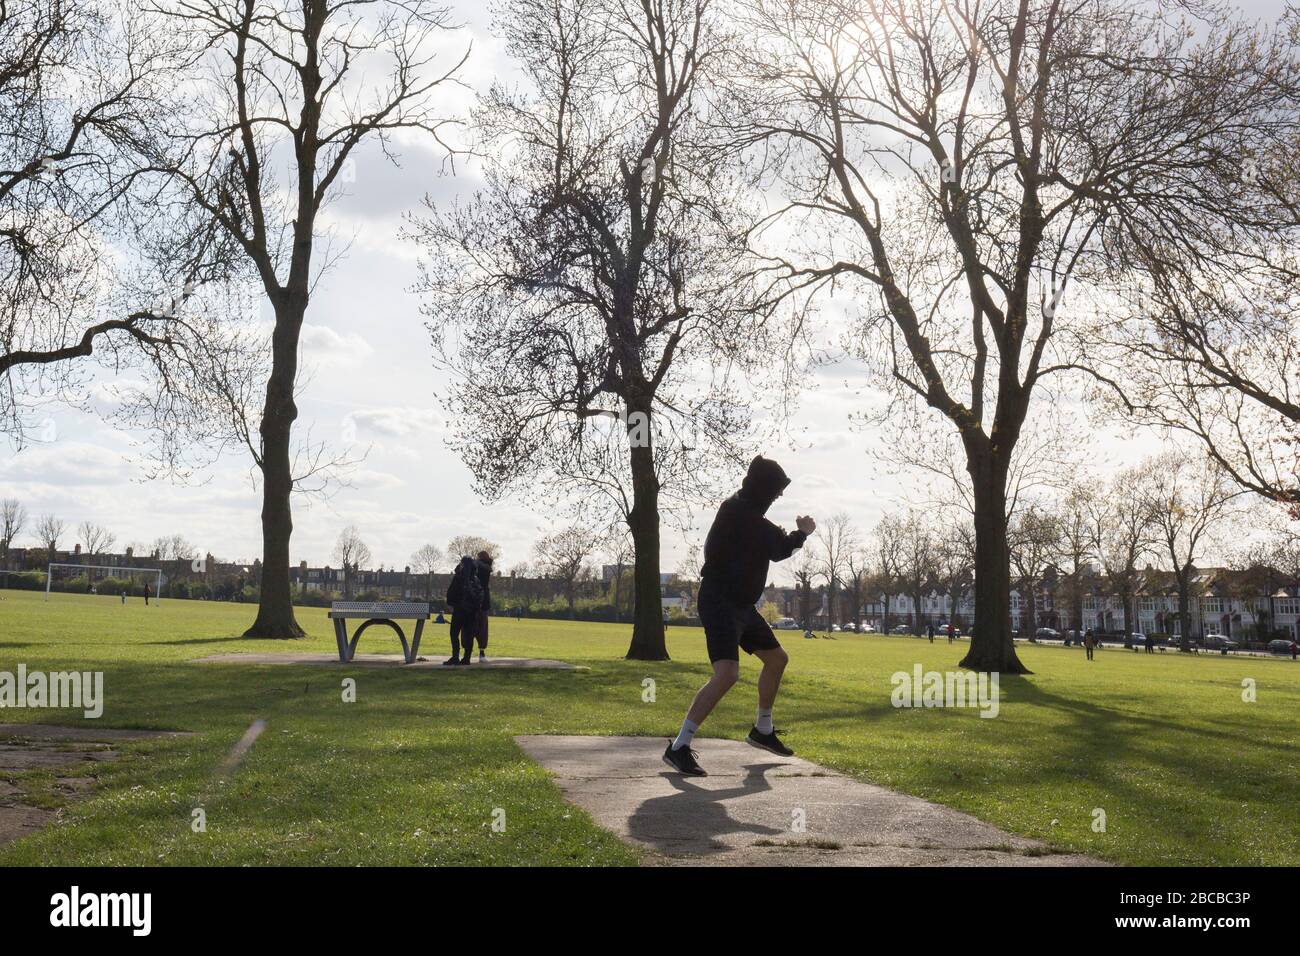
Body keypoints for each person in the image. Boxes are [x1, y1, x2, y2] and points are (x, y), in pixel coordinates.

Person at [663, 455, 815, 777]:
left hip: (742, 606)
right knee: (727, 674)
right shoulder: (740, 513)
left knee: (777, 660)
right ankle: (678, 746)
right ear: (762, 488)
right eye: (775, 491)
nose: (778, 497)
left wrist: (791, 535)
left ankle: (762, 729)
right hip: (719, 602)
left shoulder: (744, 511)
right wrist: (802, 532)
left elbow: (770, 542)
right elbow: (778, 548)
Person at [444, 555, 483, 665]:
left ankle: (455, 656)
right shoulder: (475, 580)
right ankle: (467, 658)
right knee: (469, 635)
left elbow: (451, 592)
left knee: (454, 634)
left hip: (459, 610)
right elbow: (480, 595)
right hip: (472, 612)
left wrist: (451, 604)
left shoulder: (459, 577)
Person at [472, 551, 493, 662]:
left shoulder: (481, 567)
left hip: (478, 600)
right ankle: (481, 651)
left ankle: (472, 651)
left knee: (476, 626)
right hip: (483, 601)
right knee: (482, 627)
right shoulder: (485, 567)